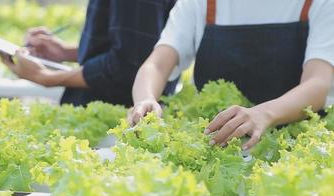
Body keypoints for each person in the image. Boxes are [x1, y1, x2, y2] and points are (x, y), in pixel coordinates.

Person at [128, 0, 334, 150]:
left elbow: (318, 83)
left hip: (294, 149)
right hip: (217, 150)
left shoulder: (321, 3)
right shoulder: (200, 4)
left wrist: (264, 114)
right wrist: (146, 98)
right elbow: (156, 64)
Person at [0, 0, 178, 107]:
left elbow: (128, 65)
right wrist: (65, 52)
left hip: (117, 118)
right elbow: (137, 46)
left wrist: (46, 77)